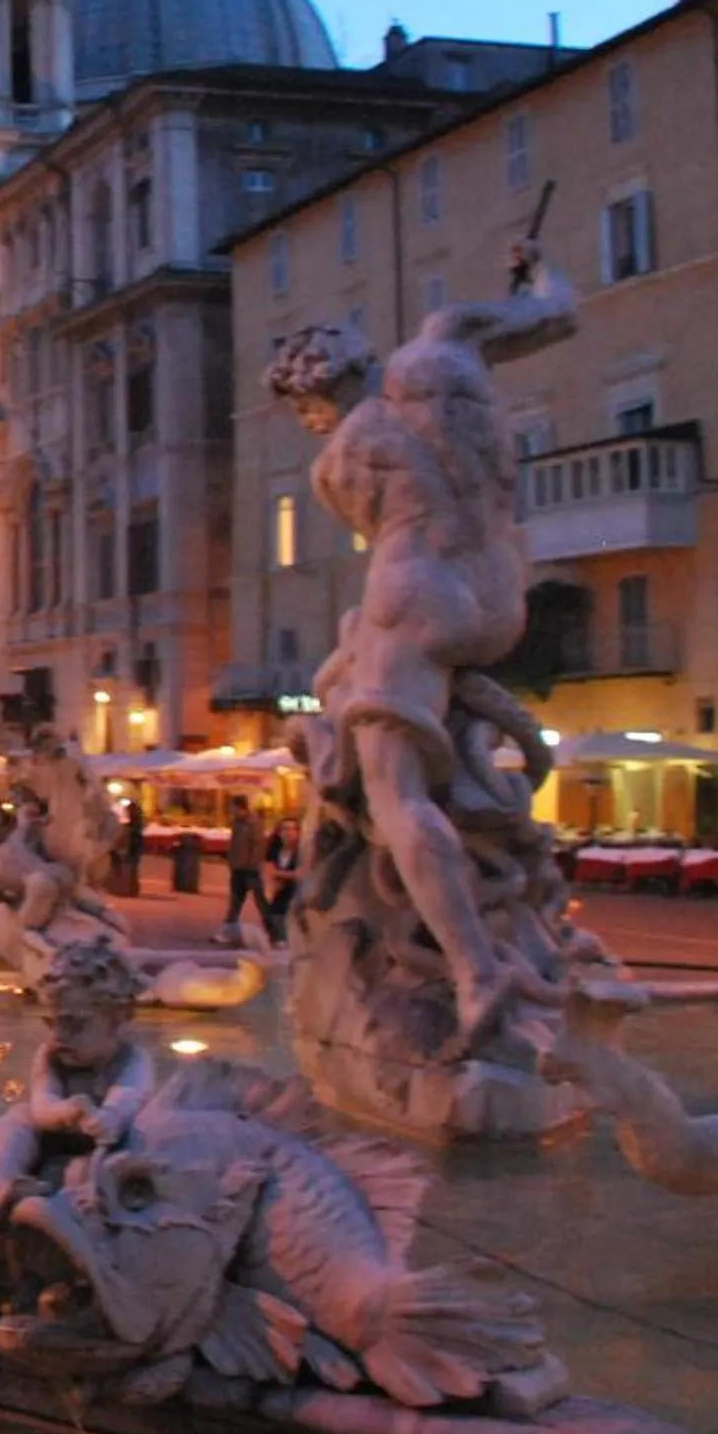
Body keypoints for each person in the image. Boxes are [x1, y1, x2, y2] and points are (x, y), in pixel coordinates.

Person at [267, 239, 578, 1052]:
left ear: (310, 403)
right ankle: (477, 854)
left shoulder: (334, 463)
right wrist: (534, 266)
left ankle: (478, 970)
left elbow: (388, 543)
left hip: (415, 589)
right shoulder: (444, 344)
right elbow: (557, 309)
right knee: (343, 661)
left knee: (394, 786)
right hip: (498, 590)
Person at [220, 810, 272, 947]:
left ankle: (273, 930)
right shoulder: (237, 824)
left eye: (233, 808)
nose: (233, 812)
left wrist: (253, 865)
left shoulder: (253, 824)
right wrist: (232, 862)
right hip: (238, 868)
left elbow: (258, 846)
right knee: (235, 902)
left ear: (240, 808)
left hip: (250, 869)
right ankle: (227, 931)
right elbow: (234, 845)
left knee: (260, 901)